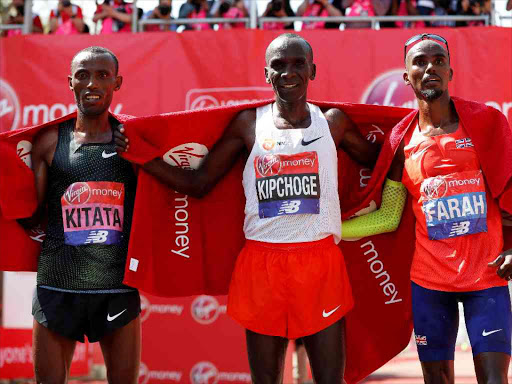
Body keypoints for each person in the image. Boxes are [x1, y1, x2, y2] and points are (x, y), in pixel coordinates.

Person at [115, 33, 383, 383]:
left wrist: (414, 141)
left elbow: (379, 162)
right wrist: (142, 155)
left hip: (320, 264)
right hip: (262, 266)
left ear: (313, 70)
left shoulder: (332, 123)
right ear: (266, 74)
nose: (289, 72)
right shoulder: (248, 124)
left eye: (298, 64)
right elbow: (198, 185)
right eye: (279, 65)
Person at [395, 34, 512, 383]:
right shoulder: (399, 140)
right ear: (406, 76)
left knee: (494, 380)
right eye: (419, 61)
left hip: (487, 276)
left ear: (450, 72)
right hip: (430, 282)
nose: (430, 67)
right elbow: (387, 212)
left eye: (438, 60)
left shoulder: (486, 124)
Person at [22, 46, 140, 384]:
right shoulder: (48, 142)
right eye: (83, 75)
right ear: (70, 82)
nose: (92, 83)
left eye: (102, 75)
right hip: (57, 285)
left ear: (116, 82)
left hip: (116, 287)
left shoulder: (133, 142)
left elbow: (159, 207)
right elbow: (32, 216)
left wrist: (139, 157)